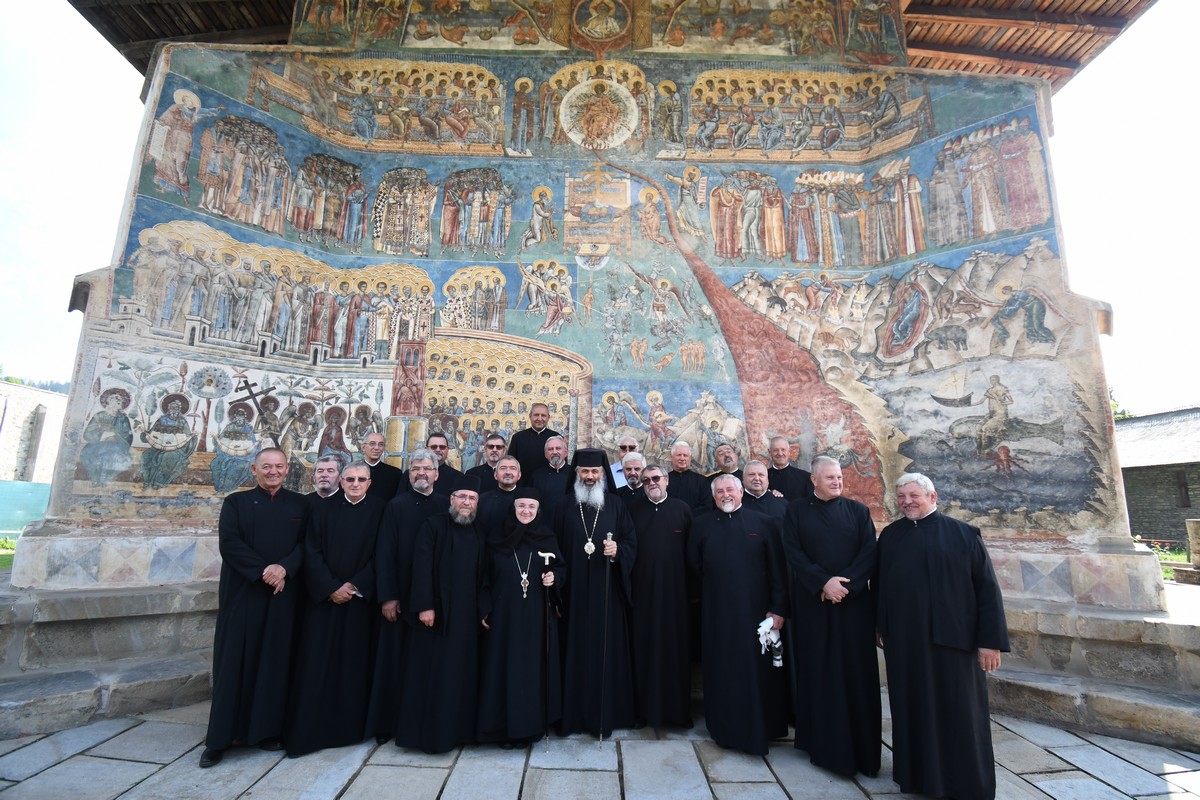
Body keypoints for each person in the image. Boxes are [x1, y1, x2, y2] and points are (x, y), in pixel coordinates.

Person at [877, 473, 1009, 800]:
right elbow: (879, 585)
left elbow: (987, 591)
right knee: (911, 710)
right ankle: (917, 778)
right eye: (902, 496)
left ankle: (967, 784)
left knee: (961, 714)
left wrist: (990, 641)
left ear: (932, 496)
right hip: (905, 645)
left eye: (914, 495)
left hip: (954, 644)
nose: (907, 501)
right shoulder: (891, 536)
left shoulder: (964, 535)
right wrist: (880, 625)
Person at [201, 448, 307, 767]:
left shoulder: (300, 505)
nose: (272, 472)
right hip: (244, 595)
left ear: (287, 469)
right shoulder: (236, 503)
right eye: (266, 467)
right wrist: (265, 571)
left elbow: (305, 545)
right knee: (234, 662)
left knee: (273, 664)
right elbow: (230, 543)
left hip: (281, 595)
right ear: (254, 469)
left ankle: (266, 731)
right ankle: (219, 739)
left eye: (278, 466)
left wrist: (285, 568)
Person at [783, 456, 880, 778]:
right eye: (830, 478)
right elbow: (793, 552)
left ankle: (861, 748)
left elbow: (869, 553)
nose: (837, 482)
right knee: (819, 672)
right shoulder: (796, 511)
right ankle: (821, 744)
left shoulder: (858, 511)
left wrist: (845, 586)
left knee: (856, 673)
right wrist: (823, 582)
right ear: (814, 480)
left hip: (853, 608)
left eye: (839, 477)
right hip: (815, 606)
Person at [285, 461, 383, 757]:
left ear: (369, 482)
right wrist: (330, 588)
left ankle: (349, 729)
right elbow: (311, 551)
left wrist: (354, 586)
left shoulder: (381, 510)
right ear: (341, 482)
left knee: (354, 665)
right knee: (317, 663)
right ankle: (313, 729)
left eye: (361, 479)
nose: (355, 484)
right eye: (350, 479)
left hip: (358, 603)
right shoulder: (321, 509)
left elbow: (382, 553)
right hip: (325, 601)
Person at [687, 474, 787, 755]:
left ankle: (759, 728)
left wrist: (778, 609)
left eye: (730, 489)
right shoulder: (701, 525)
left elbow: (778, 570)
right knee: (721, 670)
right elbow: (694, 565)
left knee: (756, 671)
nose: (725, 495)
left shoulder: (764, 524)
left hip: (757, 614)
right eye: (720, 491)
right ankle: (724, 728)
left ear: (741, 492)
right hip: (716, 613)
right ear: (713, 496)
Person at [394, 474, 484, 753]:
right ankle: (430, 737)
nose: (466, 503)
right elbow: (420, 568)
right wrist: (425, 606)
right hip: (436, 616)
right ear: (452, 499)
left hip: (467, 618)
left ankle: (459, 733)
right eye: (462, 498)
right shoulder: (433, 526)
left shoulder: (480, 530)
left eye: (471, 499)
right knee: (432, 675)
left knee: (461, 675)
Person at [556, 448, 638, 737]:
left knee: (607, 650)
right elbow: (553, 548)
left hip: (607, 595)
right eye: (585, 472)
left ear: (603, 475)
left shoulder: (615, 506)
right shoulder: (563, 506)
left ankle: (605, 716)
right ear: (576, 474)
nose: (590, 477)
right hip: (573, 594)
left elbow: (631, 541)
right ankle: (572, 717)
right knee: (573, 650)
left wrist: (618, 552)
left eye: (595, 472)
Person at [366, 447, 445, 745]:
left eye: (426, 469)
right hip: (399, 598)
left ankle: (423, 719)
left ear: (437, 474)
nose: (421, 473)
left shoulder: (444, 506)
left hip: (431, 600)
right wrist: (388, 596)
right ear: (409, 474)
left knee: (425, 663)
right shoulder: (395, 506)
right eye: (416, 469)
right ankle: (388, 723)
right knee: (393, 662)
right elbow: (384, 553)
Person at [477, 488, 565, 746]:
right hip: (503, 617)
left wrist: (555, 578)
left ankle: (530, 726)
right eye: (521, 506)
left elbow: (561, 567)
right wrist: (485, 607)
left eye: (531, 507)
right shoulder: (496, 537)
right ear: (513, 509)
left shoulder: (546, 538)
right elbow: (483, 575)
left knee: (531, 670)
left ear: (538, 511)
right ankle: (500, 728)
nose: (526, 511)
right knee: (502, 669)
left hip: (537, 616)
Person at [625, 463, 693, 728]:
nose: (651, 483)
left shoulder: (682, 510)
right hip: (642, 595)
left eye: (655, 478)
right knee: (642, 650)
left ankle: (676, 714)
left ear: (666, 481)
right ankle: (643, 712)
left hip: (676, 597)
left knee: (675, 652)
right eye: (646, 480)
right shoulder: (632, 510)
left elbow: (692, 554)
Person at [508, 402, 560, 481]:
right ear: (530, 416)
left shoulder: (556, 437)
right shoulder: (517, 438)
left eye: (543, 415)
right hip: (523, 484)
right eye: (536, 415)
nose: (539, 419)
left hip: (549, 482)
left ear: (548, 417)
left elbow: (562, 464)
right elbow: (511, 463)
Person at [477, 455, 522, 532]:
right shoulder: (483, 499)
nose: (508, 472)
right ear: (495, 475)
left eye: (513, 468)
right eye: (503, 468)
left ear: (519, 475)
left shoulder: (526, 500)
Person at [530, 435, 570, 522]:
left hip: (569, 524)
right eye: (550, 449)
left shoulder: (574, 473)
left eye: (558, 448)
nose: (554, 452)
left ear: (566, 452)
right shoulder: (537, 475)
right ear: (545, 454)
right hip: (545, 524)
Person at [666, 441, 709, 511]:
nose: (682, 458)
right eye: (679, 455)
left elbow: (707, 506)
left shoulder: (702, 481)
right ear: (671, 457)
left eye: (685, 455)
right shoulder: (664, 480)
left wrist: (688, 517)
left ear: (690, 458)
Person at [361, 432, 403, 499]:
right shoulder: (352, 472)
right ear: (363, 447)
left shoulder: (395, 474)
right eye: (372, 444)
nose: (376, 448)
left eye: (381, 444)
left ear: (384, 448)